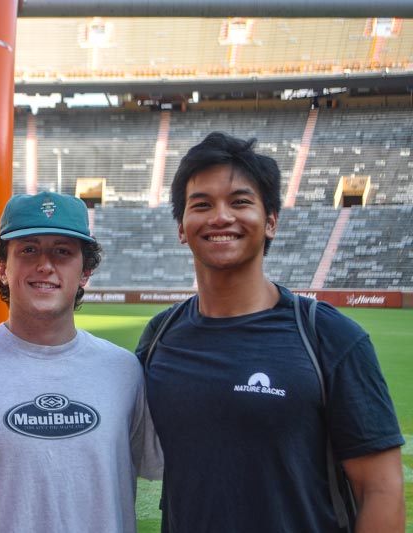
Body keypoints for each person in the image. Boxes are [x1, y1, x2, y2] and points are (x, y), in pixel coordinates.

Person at [135, 132, 405, 532]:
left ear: (271, 221)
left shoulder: (329, 337)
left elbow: (381, 490)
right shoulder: (160, 336)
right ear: (181, 227)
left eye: (240, 202)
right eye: (202, 205)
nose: (220, 217)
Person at [0, 191, 163, 532]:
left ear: (85, 272)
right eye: (28, 249)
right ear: (2, 268)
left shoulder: (125, 371)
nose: (45, 265)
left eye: (62, 252)